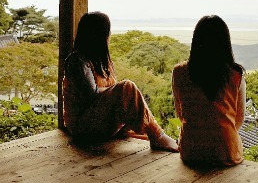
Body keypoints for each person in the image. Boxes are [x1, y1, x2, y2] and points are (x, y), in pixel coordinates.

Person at [63, 11, 178, 152]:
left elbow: (113, 99)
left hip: (102, 124)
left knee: (127, 94)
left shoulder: (104, 61)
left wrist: (119, 96)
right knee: (127, 87)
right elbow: (89, 95)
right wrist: (120, 93)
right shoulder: (77, 60)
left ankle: (156, 135)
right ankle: (157, 135)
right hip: (83, 127)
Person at [172, 15, 246, 166]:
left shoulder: (179, 72)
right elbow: (238, 121)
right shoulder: (235, 75)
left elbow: (181, 114)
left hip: (191, 151)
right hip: (226, 152)